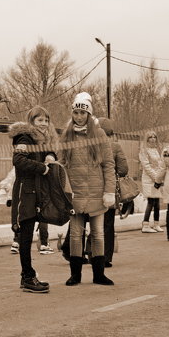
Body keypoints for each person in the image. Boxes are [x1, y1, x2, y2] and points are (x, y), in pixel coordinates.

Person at [60, 92, 114, 285]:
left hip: (97, 193)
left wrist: (109, 191)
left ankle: (99, 274)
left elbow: (108, 164)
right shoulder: (66, 135)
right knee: (76, 234)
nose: (79, 116)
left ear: (89, 115)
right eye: (76, 112)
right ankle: (75, 275)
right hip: (76, 193)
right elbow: (62, 164)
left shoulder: (99, 135)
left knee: (98, 233)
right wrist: (65, 190)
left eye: (83, 113)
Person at [8, 106, 57, 293]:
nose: (44, 124)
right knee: (25, 237)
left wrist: (51, 155)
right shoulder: (24, 138)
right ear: (32, 122)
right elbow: (19, 161)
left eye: (46, 120)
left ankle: (25, 276)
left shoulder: (41, 140)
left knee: (27, 235)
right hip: (24, 192)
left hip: (34, 192)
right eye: (40, 120)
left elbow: (48, 154)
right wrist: (42, 168)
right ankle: (28, 277)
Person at [99, 117, 129, 266]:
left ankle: (92, 253)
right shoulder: (115, 146)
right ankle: (106, 257)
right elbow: (124, 170)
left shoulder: (91, 144)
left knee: (94, 223)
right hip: (109, 189)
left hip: (93, 188)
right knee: (108, 224)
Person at [138, 130, 166, 232]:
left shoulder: (156, 150)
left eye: (154, 137)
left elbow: (159, 165)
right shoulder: (144, 150)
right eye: (150, 137)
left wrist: (159, 177)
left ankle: (156, 224)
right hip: (148, 179)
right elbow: (146, 166)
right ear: (147, 139)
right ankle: (145, 225)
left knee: (157, 202)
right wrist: (156, 177)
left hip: (156, 179)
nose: (153, 139)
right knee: (151, 202)